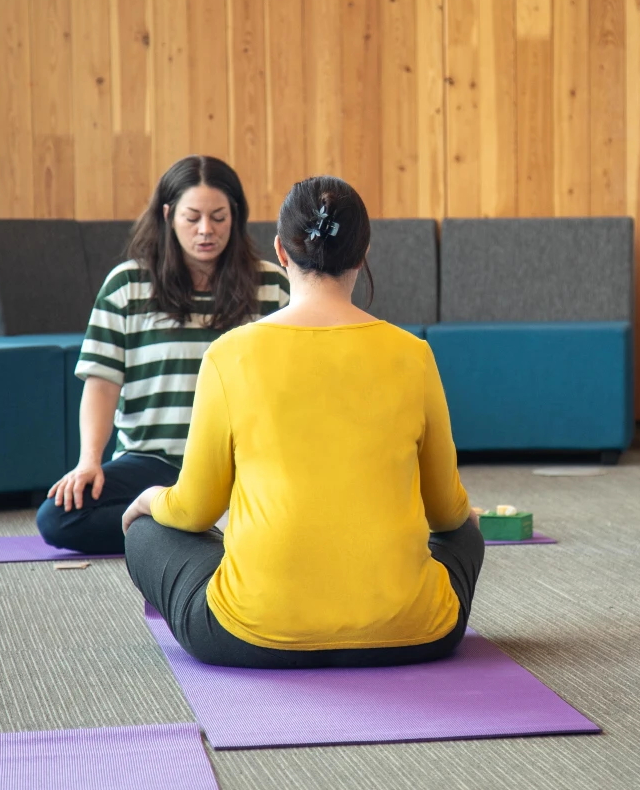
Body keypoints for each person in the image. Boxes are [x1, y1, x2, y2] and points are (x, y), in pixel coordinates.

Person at [119, 175, 485, 669]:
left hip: (251, 634)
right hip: (416, 633)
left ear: (281, 251)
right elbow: (446, 513)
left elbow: (194, 513)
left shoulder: (231, 354)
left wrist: (150, 499)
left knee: (146, 531)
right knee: (466, 531)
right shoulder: (413, 354)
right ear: (364, 251)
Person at [37, 156, 290, 554]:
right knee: (59, 517)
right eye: (193, 218)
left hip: (240, 463)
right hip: (151, 463)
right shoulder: (126, 285)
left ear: (235, 216)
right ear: (169, 214)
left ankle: (173, 525)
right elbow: (102, 385)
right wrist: (89, 461)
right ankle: (193, 522)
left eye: (219, 217)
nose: (206, 230)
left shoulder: (272, 284)